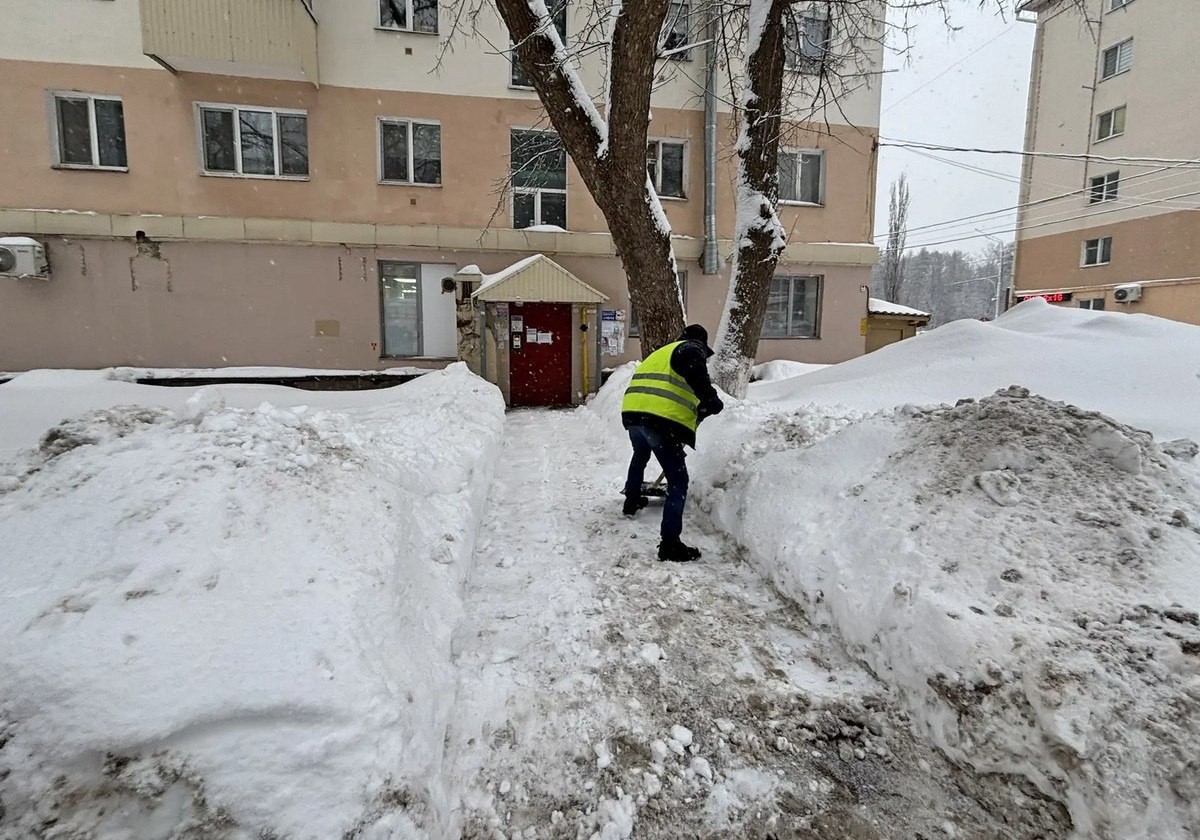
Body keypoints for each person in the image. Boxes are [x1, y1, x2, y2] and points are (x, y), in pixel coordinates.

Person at [620, 324, 724, 563]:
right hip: (659, 421)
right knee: (678, 481)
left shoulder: (661, 353)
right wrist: (710, 398)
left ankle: (631, 501)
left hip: (634, 414)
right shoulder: (690, 349)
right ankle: (670, 545)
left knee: (640, 455)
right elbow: (696, 372)